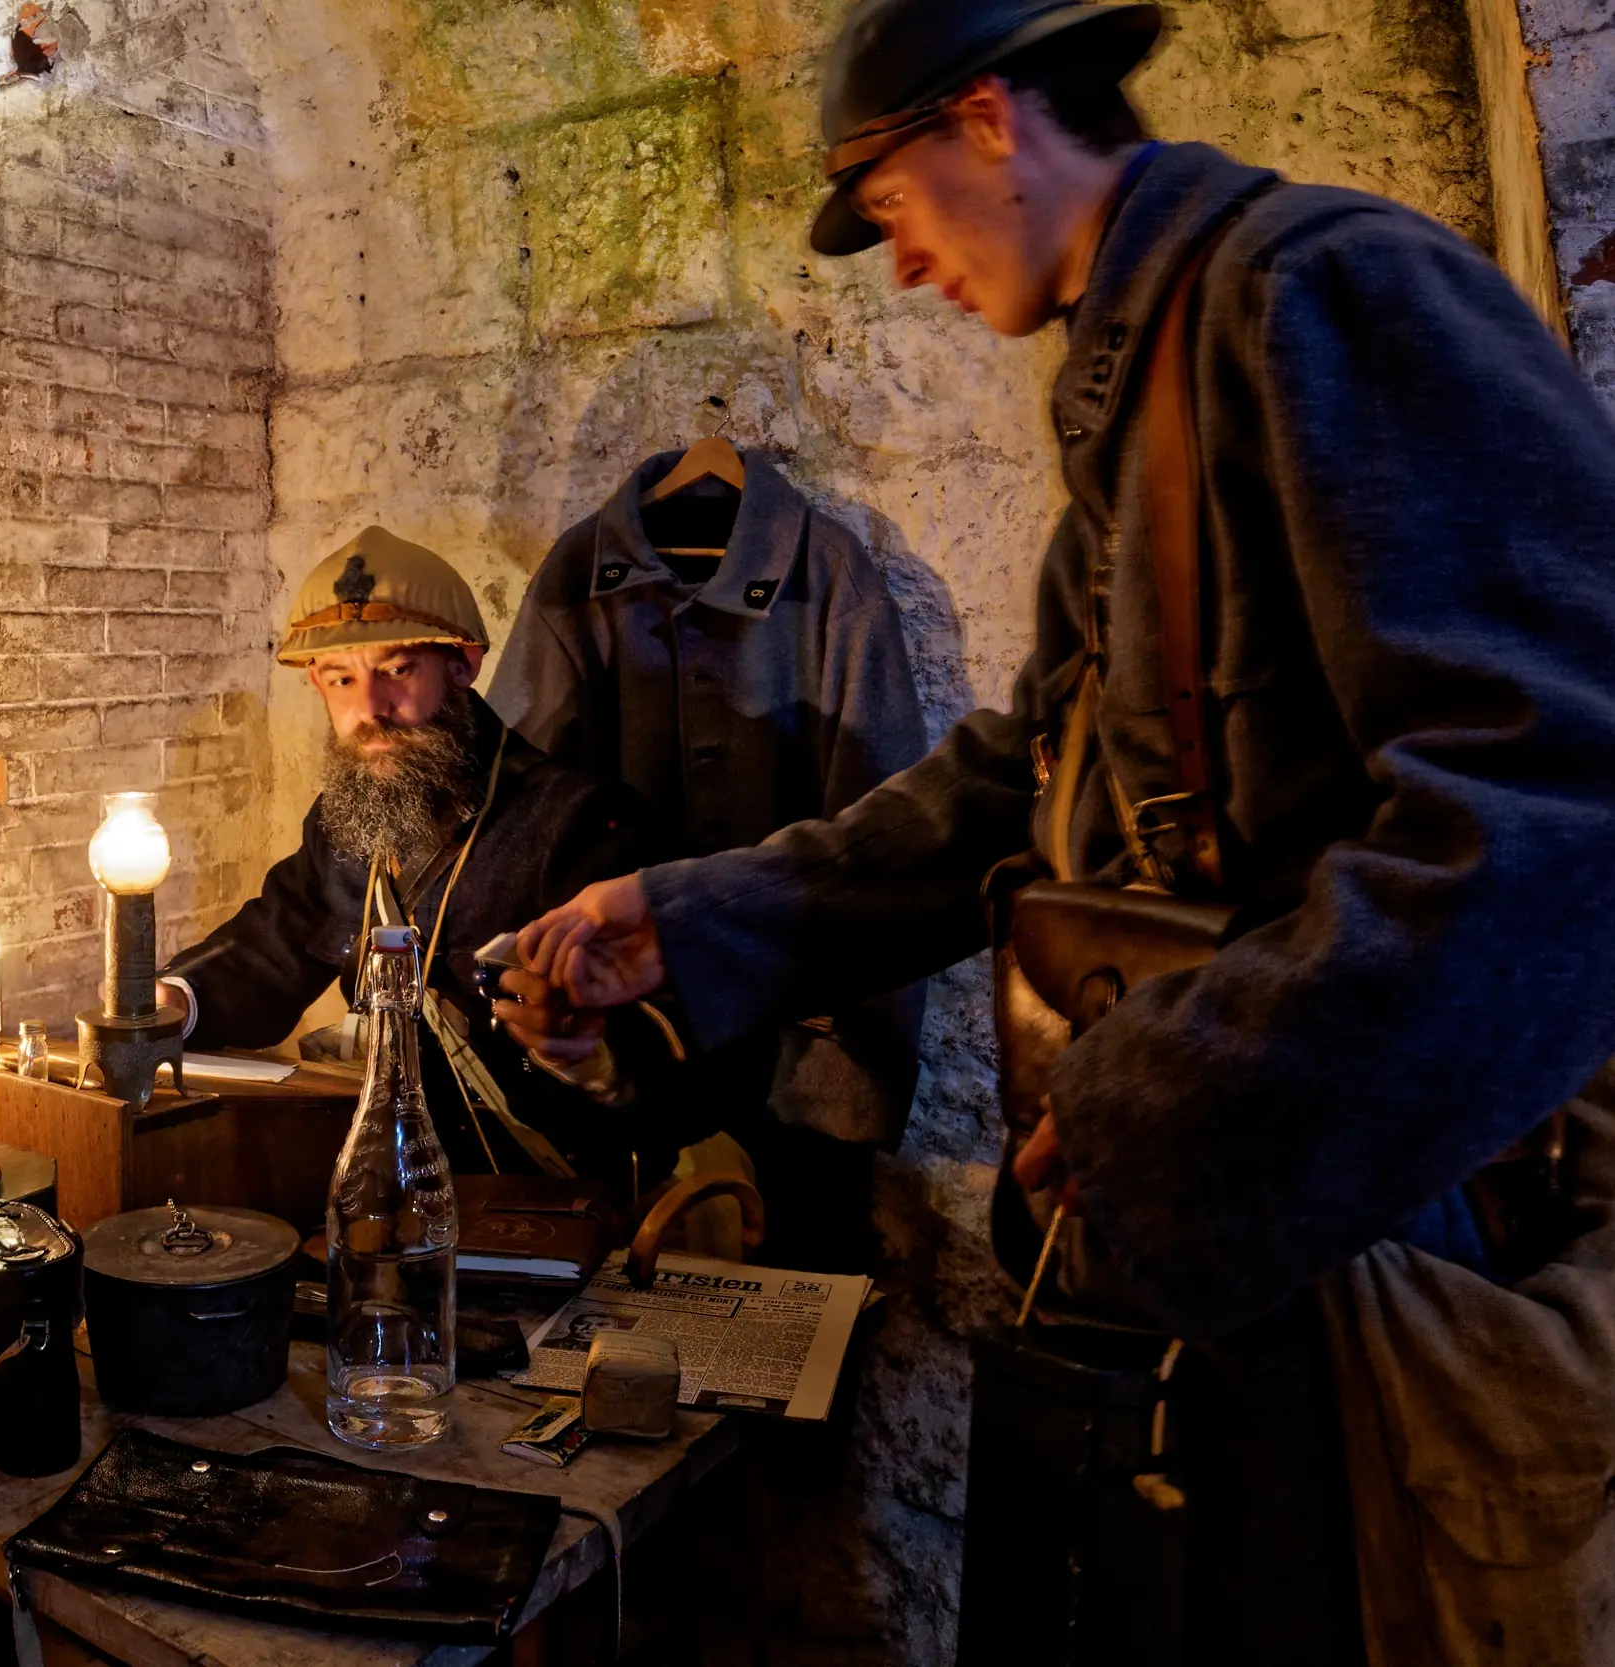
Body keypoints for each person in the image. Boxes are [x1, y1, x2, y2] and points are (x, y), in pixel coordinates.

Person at [498, 0, 1615, 1658]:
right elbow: (1018, 791)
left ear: (993, 119)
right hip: (1244, 1258)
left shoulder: (1324, 292)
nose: (895, 265)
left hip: (1387, 1251)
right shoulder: (1140, 386)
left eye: (889, 201)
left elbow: (1555, 817)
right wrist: (691, 918)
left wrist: (1159, 1104)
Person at [488, 445, 929, 1271]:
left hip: (796, 1062)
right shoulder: (575, 578)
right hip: (617, 1059)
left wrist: (839, 1092)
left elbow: (886, 835)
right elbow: (515, 815)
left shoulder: (830, 578)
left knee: (792, 1344)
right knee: (614, 1332)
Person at [160, 526, 702, 1191]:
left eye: (397, 669)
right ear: (315, 683)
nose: (370, 709)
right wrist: (169, 999)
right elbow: (270, 947)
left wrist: (581, 1047)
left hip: (544, 1198)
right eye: (342, 678)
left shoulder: (580, 820)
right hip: (382, 1185)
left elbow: (683, 1059)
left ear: (463, 663)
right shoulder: (343, 820)